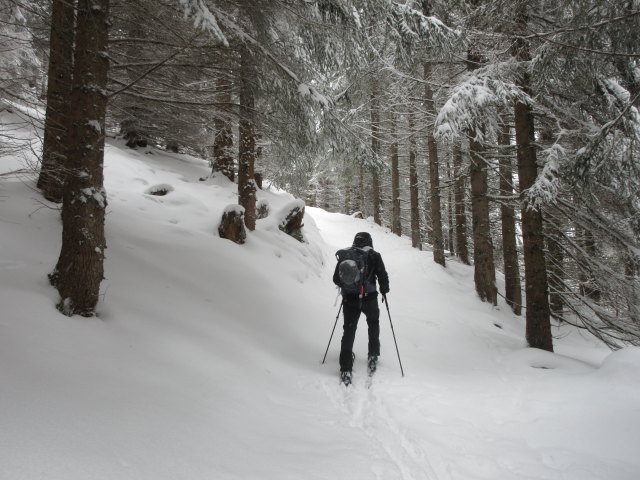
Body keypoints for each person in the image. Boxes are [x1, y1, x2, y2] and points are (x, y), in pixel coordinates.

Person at [333, 232, 389, 384]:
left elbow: (336, 279)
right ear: (370, 241)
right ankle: (373, 355)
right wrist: (384, 290)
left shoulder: (346, 255)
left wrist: (347, 286)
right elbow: (382, 275)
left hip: (349, 299)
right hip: (369, 298)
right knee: (373, 323)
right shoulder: (374, 255)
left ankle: (345, 367)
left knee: (349, 330)